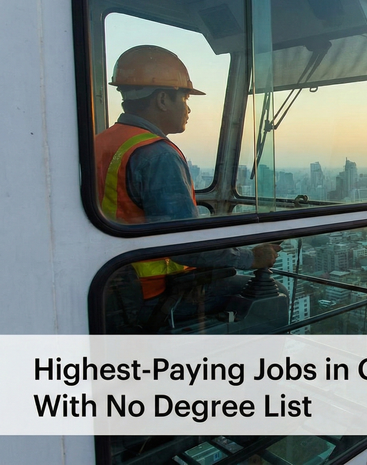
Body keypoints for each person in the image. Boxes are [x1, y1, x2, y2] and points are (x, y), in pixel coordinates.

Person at [96, 45, 281, 325]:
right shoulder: (158, 155)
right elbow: (186, 246)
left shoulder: (101, 142)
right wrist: (252, 257)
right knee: (272, 294)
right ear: (162, 99)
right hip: (152, 294)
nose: (188, 108)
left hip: (108, 289)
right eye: (184, 97)